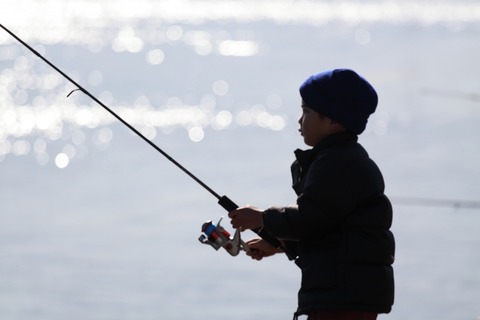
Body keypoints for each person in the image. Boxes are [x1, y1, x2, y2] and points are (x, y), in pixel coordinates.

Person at [228, 69, 395, 320]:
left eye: (306, 111)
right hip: (346, 295)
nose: (299, 120)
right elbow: (329, 227)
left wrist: (262, 219)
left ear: (334, 121)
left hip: (342, 299)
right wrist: (282, 245)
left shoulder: (338, 163)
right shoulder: (341, 159)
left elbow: (309, 219)